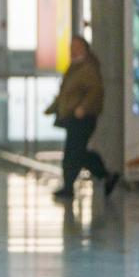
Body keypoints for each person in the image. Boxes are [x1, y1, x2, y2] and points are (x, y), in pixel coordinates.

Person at [46, 35, 119, 199]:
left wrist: (83, 107)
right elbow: (66, 93)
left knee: (75, 152)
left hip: (83, 118)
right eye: (71, 47)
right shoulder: (74, 68)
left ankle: (99, 176)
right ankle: (101, 177)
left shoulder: (88, 68)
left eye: (77, 47)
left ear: (85, 49)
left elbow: (95, 90)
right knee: (75, 152)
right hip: (73, 117)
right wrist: (53, 108)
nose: (73, 50)